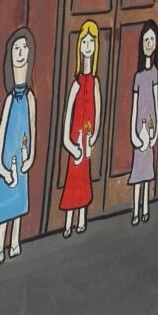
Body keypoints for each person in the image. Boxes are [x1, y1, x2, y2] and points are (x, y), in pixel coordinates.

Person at [0, 27, 37, 263]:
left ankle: (15, 241)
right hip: (8, 161)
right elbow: (0, 136)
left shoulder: (30, 98)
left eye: (24, 48)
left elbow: (33, 129)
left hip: (21, 160)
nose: (20, 53)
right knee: (5, 203)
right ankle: (0, 246)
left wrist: (28, 158)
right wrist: (0, 166)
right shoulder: (10, 99)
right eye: (16, 48)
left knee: (18, 203)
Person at [60, 19, 101, 236]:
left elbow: (99, 111)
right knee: (72, 181)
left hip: (86, 142)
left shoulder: (94, 82)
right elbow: (68, 115)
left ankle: (82, 218)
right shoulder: (76, 83)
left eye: (91, 41)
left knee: (84, 181)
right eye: (84, 41)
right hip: (75, 142)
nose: (87, 46)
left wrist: (93, 137)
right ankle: (68, 222)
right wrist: (69, 143)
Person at [128, 19, 158, 225]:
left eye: (152, 39)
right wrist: (133, 133)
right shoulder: (138, 76)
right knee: (137, 171)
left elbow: (155, 103)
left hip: (150, 127)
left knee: (147, 171)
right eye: (146, 39)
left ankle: (145, 207)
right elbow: (135, 104)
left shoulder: (154, 73)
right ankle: (135, 209)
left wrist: (155, 132)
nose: (149, 43)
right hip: (139, 128)